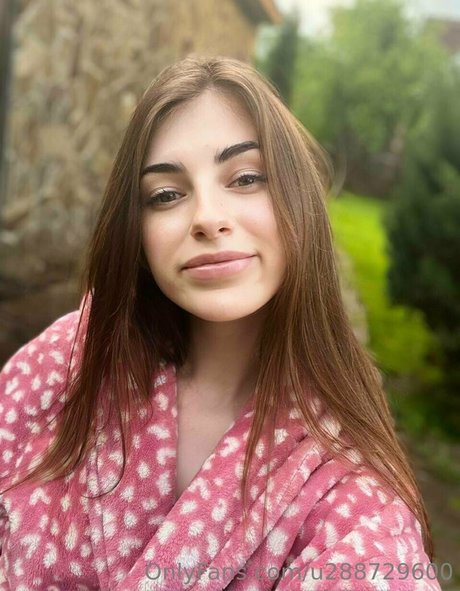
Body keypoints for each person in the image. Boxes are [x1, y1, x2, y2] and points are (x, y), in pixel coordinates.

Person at [0, 55, 442, 590]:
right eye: (166, 195)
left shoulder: (352, 500)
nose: (207, 218)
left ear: (299, 198)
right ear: (135, 233)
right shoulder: (66, 361)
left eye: (246, 178)